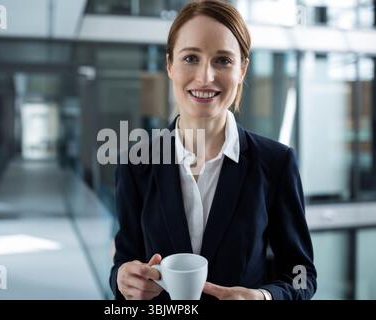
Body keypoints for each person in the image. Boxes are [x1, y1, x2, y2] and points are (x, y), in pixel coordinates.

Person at [110, 0, 317, 300]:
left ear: (243, 69)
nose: (206, 77)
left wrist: (263, 298)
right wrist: (122, 278)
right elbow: (123, 263)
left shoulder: (276, 163)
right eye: (191, 58)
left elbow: (301, 275)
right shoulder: (135, 164)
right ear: (169, 64)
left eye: (222, 60)